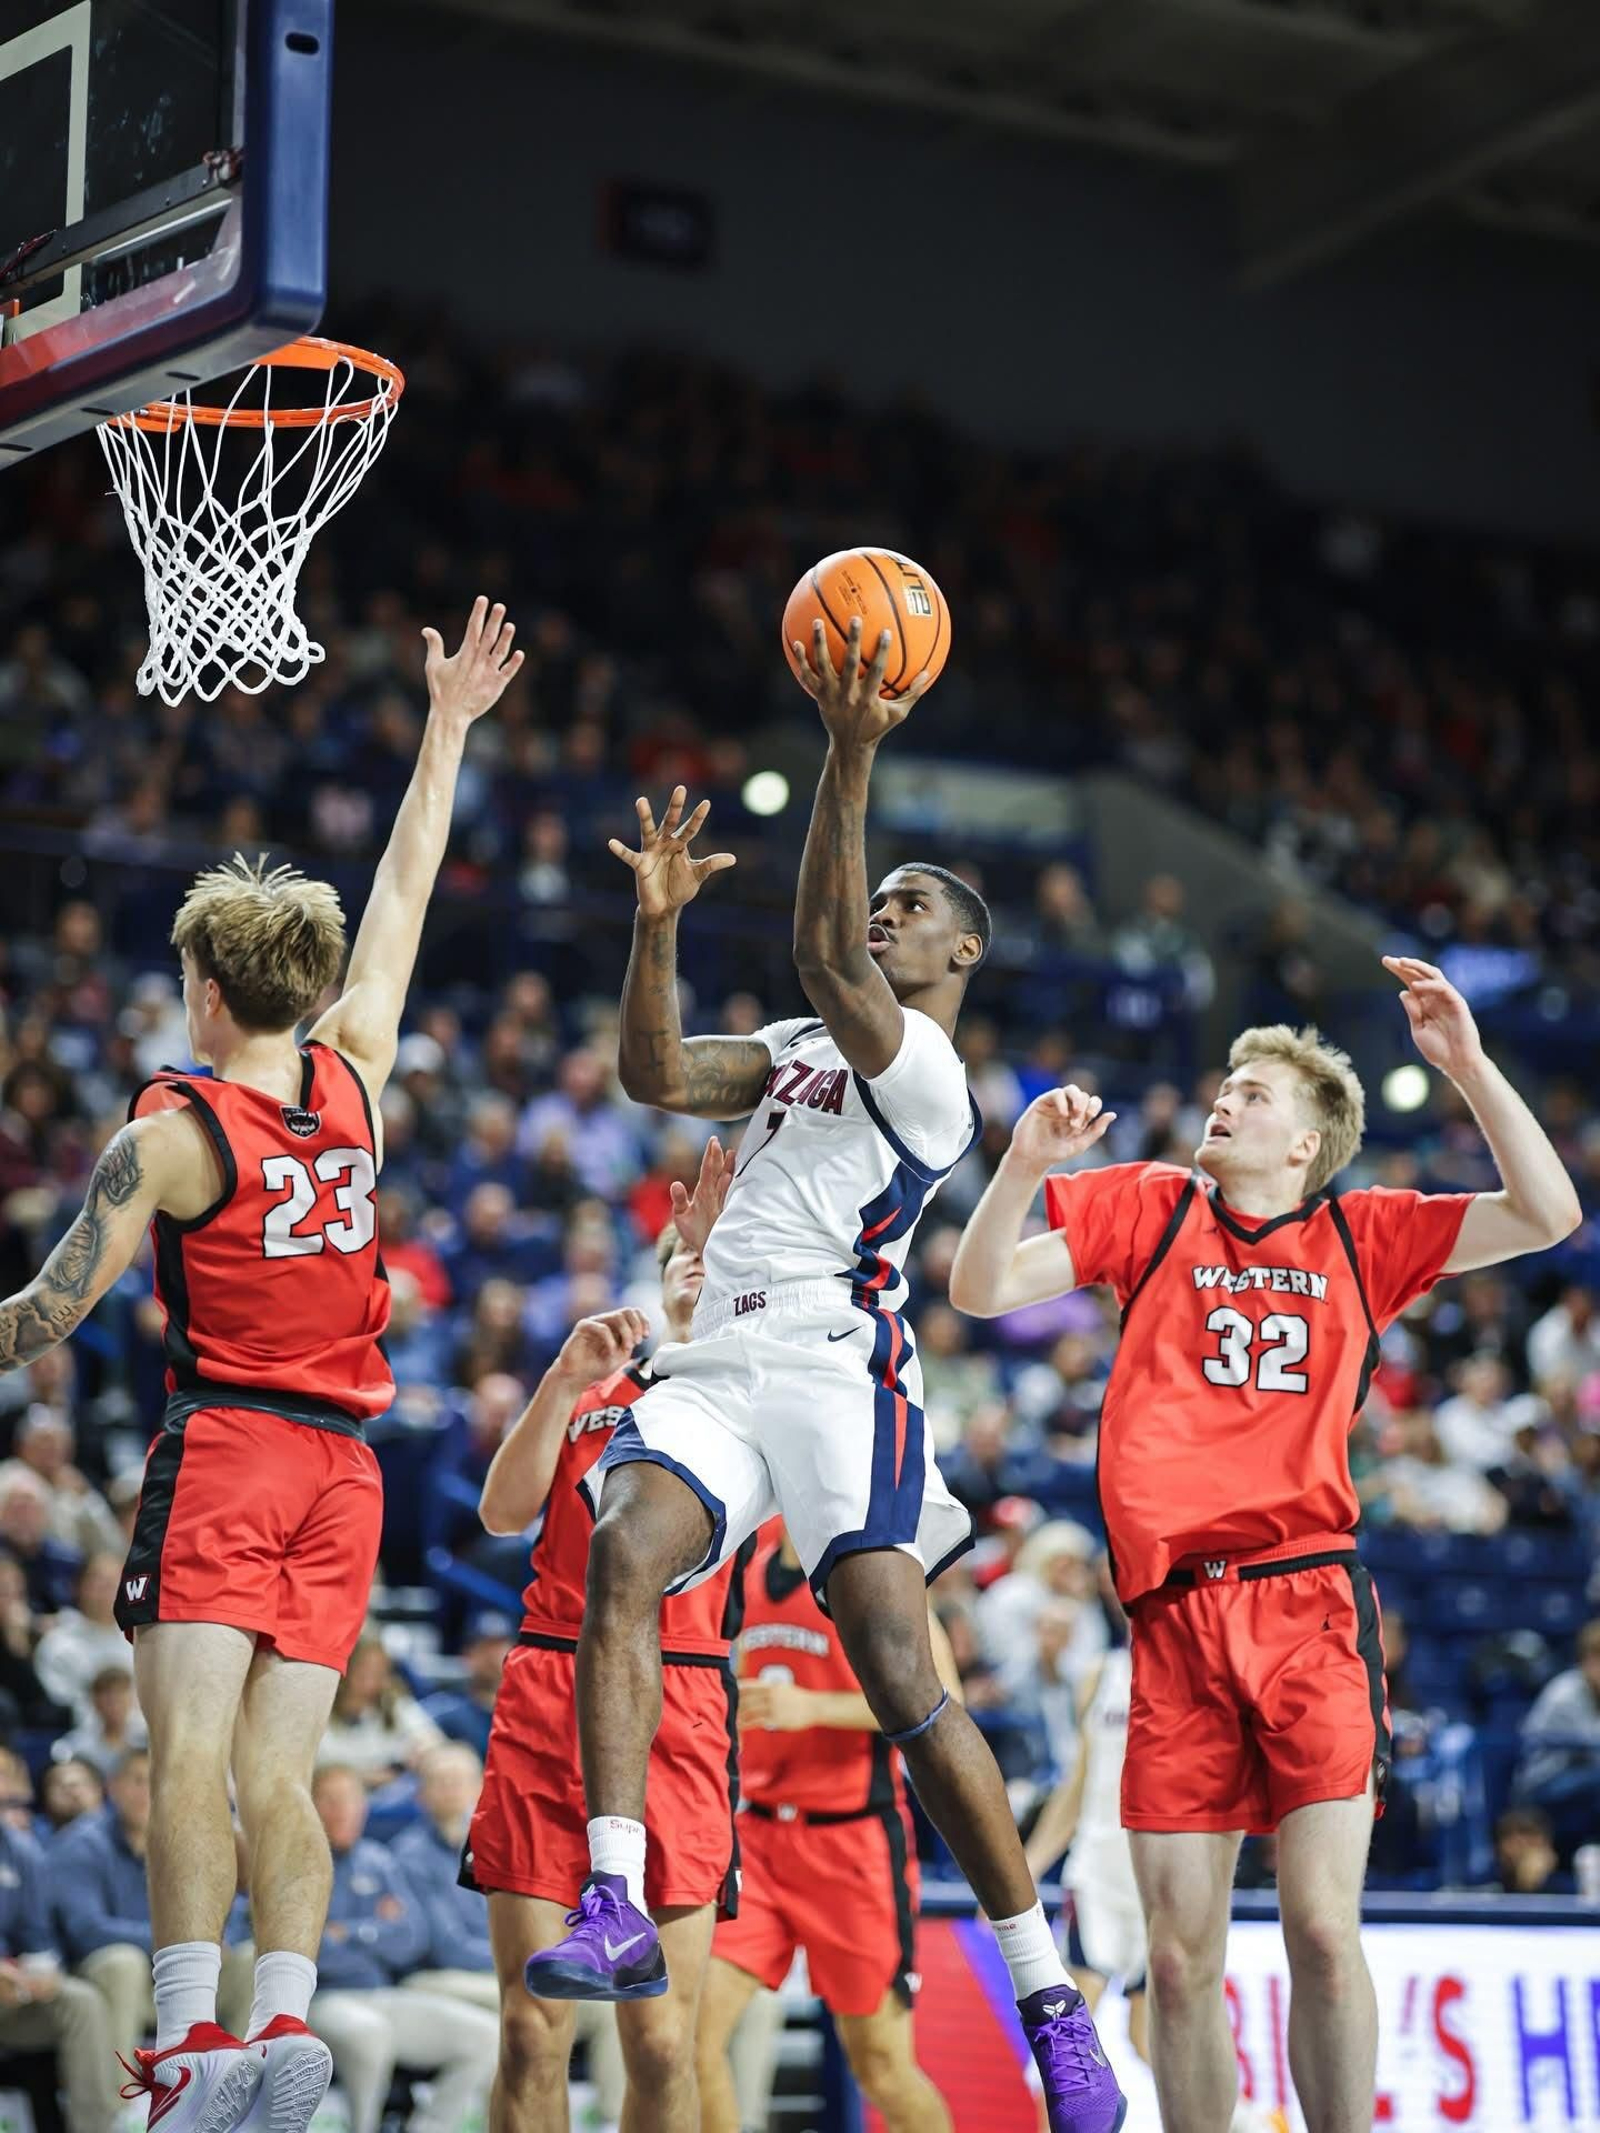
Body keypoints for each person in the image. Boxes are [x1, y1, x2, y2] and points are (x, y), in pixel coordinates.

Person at [526, 618, 1124, 2132]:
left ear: (957, 958)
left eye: (912, 906)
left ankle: (1046, 1991)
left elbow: (812, 940)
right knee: (623, 1558)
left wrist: (850, 750)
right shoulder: (804, 1034)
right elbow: (658, 1077)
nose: (885, 916)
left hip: (841, 1369)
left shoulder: (930, 1069)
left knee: (899, 1671)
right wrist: (656, 924)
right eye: (885, 897)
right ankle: (609, 1895)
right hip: (721, 1360)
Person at [0, 597, 523, 2129]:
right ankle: (283, 2025)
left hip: (229, 1447)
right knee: (279, 1777)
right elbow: (408, 884)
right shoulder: (354, 1069)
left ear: (206, 988)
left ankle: (185, 2045)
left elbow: (43, 1314)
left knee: (188, 1758)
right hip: (346, 1473)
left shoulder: (167, 1138)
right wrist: (447, 731)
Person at [949, 965, 1581, 2133]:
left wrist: (1467, 1067)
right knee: (1177, 1961)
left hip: (1307, 1607)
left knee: (1322, 1931)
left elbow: (1549, 1215)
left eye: (1249, 1094)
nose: (1221, 1104)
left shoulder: (1362, 1231)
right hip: (1173, 1622)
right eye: (1223, 1088)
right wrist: (1023, 1168)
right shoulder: (1150, 1203)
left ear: (1305, 1141)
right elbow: (980, 1286)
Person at [469, 1140, 741, 2133]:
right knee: (530, 2030)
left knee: (665, 2042)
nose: (704, 1271)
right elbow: (503, 1513)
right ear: (663, 1275)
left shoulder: (757, 1407)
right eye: (689, 1257)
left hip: (684, 1702)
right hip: (550, 1688)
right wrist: (559, 1378)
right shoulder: (594, 1400)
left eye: (726, 1261)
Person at [696, 1520, 957, 2133]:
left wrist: (814, 1709)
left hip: (854, 1843)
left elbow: (946, 1700)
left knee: (883, 2069)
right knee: (684, 2037)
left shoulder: (877, 1562)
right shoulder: (749, 1560)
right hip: (758, 1838)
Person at [304, 1765, 498, 2133]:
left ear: (364, 1807)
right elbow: (312, 1954)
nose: (343, 1810)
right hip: (324, 1999)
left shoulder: (377, 1860)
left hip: (383, 1993)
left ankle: (429, 2127)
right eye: (330, 1800)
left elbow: (412, 1939)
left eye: (351, 1799)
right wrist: (377, 1932)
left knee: (488, 2036)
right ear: (310, 1806)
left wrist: (352, 1932)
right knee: (369, 2033)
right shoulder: (297, 1864)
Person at [1023, 1567, 1149, 2095]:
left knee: (1157, 2050)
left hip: (1160, 1887)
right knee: (1063, 2057)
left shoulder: (1197, 1675)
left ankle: (1251, 2123)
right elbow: (1076, 1788)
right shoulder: (1103, 1674)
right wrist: (1025, 1869)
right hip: (1097, 1876)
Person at [49, 1748, 251, 2063]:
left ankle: (232, 2088)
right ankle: (120, 2103)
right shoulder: (81, 1844)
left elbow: (233, 1912)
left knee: (250, 1958)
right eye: (138, 1781)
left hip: (178, 1976)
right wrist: (173, 1942)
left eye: (157, 1782)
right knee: (124, 1964)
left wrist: (208, 1941)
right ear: (112, 1787)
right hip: (108, 1974)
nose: (147, 1792)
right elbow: (86, 1931)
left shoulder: (190, 1840)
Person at [0, 1811, 120, 2133]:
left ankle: (100, 2127)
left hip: (10, 1996)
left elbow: (37, 1935)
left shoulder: (17, 1848)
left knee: (81, 2001)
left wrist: (42, 1971)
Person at [419, 1613, 513, 1759]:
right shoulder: (449, 1711)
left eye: (499, 1648)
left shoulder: (526, 1714)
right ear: (468, 1655)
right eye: (484, 1649)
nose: (492, 1657)